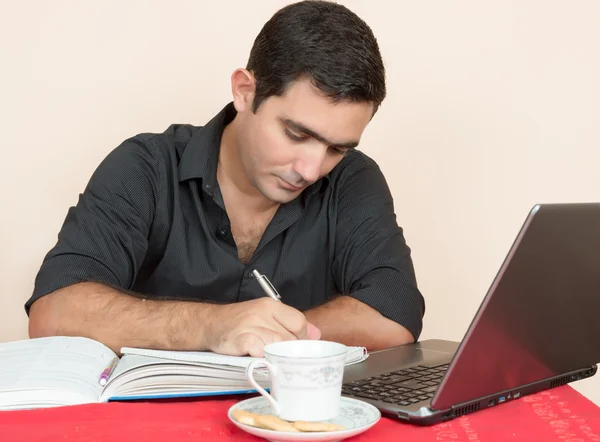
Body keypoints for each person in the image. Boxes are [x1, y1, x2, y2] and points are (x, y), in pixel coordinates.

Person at [26, 0, 425, 357]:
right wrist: (215, 327)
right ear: (245, 91)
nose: (311, 170)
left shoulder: (352, 180)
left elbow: (395, 315)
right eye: (296, 134)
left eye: (337, 148)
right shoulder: (145, 167)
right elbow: (54, 312)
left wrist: (267, 336)